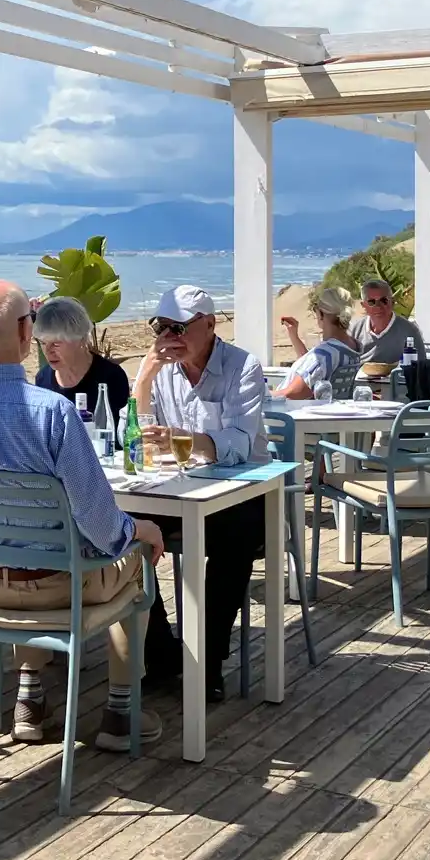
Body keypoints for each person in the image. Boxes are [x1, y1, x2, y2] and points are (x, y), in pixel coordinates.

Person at [0, 280, 165, 750]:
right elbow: (101, 527)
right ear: (27, 333)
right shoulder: (54, 414)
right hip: (59, 590)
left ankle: (29, 695)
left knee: (29, 556)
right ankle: (121, 711)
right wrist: (140, 529)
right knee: (136, 558)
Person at [130, 286, 269, 703]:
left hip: (238, 489)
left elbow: (241, 442)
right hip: (179, 489)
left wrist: (186, 439)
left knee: (235, 542)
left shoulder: (242, 366)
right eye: (162, 326)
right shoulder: (162, 371)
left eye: (179, 327)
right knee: (126, 533)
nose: (170, 336)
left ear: (209, 325)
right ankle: (162, 653)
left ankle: (206, 661)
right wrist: (144, 379)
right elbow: (136, 436)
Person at [32, 295, 131, 416]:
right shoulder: (42, 379)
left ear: (80, 339)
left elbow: (120, 430)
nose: (48, 351)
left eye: (56, 343)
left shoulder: (111, 377)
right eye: (43, 343)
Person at [276, 287, 361, 400]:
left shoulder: (325, 353)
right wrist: (294, 336)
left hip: (289, 411)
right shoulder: (351, 347)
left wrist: (264, 393)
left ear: (321, 314)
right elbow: (315, 369)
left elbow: (293, 393)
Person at [348, 278, 424, 364]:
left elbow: (421, 366)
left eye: (384, 300)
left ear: (392, 302)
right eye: (371, 302)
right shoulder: (356, 329)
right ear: (363, 305)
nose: (378, 306)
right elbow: (349, 363)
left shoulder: (409, 330)